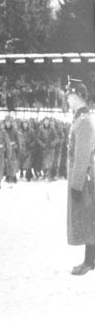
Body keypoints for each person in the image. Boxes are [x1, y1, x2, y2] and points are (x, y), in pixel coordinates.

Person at [64, 81, 95, 275]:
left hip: (84, 179)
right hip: (84, 177)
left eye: (68, 96)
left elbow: (82, 156)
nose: (67, 100)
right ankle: (90, 260)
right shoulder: (81, 119)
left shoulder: (84, 121)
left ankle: (89, 261)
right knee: (88, 218)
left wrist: (76, 185)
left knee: (87, 218)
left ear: (76, 97)